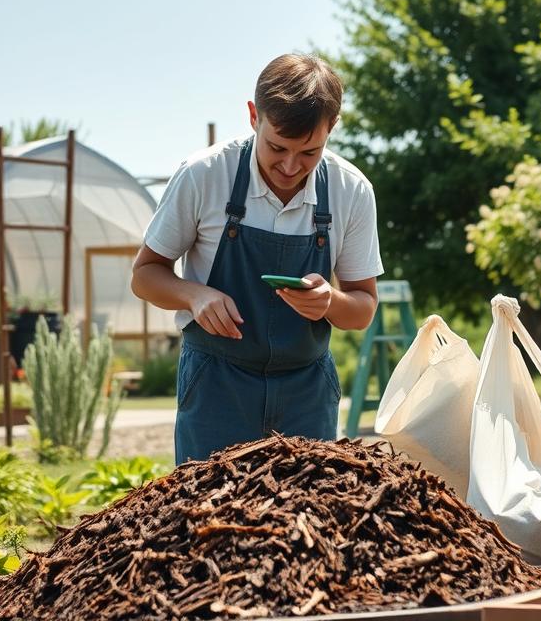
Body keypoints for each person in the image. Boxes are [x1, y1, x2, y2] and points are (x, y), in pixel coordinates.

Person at [131, 54, 382, 464]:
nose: (289, 166)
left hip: (307, 391)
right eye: (277, 146)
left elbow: (363, 308)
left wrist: (331, 303)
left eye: (309, 152)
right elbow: (144, 275)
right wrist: (194, 295)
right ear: (254, 116)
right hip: (216, 384)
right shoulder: (204, 174)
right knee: (209, 518)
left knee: (309, 521)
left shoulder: (351, 190)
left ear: (332, 128)